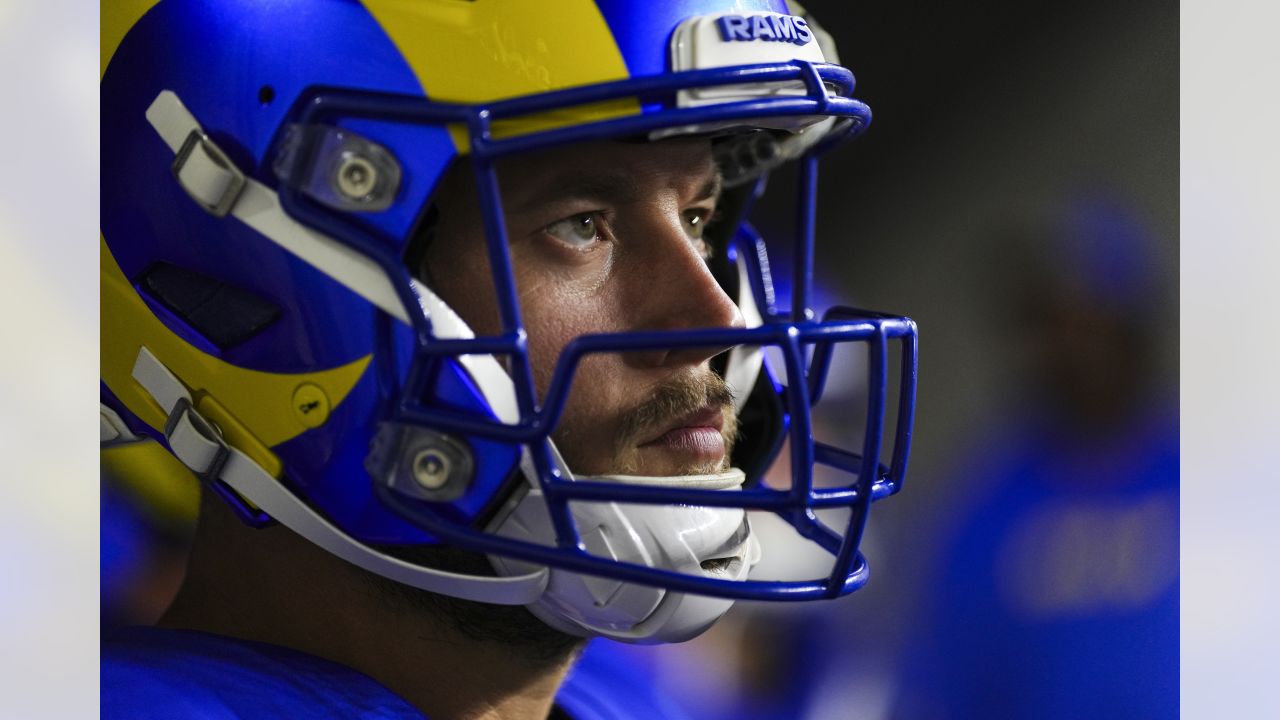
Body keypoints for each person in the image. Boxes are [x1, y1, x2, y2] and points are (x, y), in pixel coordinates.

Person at [100, 1, 918, 718]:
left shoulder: (634, 697)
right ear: (265, 278)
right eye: (582, 224)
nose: (719, 326)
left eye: (699, 219)